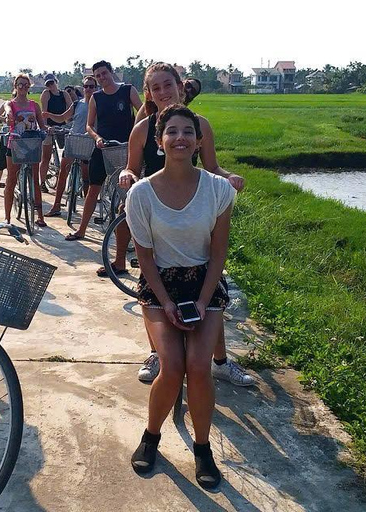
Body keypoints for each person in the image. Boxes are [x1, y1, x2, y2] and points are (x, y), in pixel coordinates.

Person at [118, 63, 254, 387]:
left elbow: (213, 168)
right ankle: (158, 354)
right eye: (156, 88)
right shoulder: (141, 128)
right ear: (148, 93)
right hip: (158, 217)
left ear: (181, 86)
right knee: (152, 285)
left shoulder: (199, 125)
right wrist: (127, 176)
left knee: (210, 285)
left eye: (169, 85)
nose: (164, 92)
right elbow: (132, 169)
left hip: (193, 214)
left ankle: (219, 361)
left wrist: (229, 178)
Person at [126, 104, 234, 490]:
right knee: (172, 365)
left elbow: (218, 253)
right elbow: (145, 258)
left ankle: (202, 448)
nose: (180, 138)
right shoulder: (141, 194)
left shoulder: (219, 190)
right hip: (160, 289)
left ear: (198, 140)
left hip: (204, 285)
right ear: (159, 140)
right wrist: (167, 302)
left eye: (188, 131)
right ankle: (151, 436)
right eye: (171, 131)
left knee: (200, 366)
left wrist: (203, 302)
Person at [64, 60, 142, 241]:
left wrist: (136, 136)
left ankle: (135, 236)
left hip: (126, 147)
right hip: (103, 147)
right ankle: (81, 229)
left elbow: (142, 112)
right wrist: (97, 138)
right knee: (93, 188)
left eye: (104, 73)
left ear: (111, 72)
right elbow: (89, 126)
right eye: (98, 75)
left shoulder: (127, 90)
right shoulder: (96, 98)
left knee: (130, 191)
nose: (102, 78)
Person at [44, 75, 97, 217]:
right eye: (86, 86)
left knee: (87, 176)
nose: (88, 89)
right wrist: (48, 115)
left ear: (96, 88)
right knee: (63, 172)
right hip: (73, 140)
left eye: (91, 86)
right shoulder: (77, 104)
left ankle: (88, 209)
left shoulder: (99, 104)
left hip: (88, 142)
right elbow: (63, 118)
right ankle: (56, 206)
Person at [0, 74, 48, 226]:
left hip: (32, 144)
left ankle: (40, 215)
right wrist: (8, 116)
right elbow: (7, 110)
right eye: (20, 85)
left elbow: (42, 125)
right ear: (15, 86)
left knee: (35, 180)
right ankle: (7, 217)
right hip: (15, 144)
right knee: (11, 180)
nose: (23, 88)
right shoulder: (11, 104)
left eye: (26, 85)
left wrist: (48, 130)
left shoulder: (34, 105)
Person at [40, 74, 72, 193]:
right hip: (49, 126)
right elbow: (44, 112)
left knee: (67, 154)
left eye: (52, 83)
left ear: (56, 82)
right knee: (46, 157)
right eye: (48, 84)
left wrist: (71, 123)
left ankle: (61, 183)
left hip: (62, 126)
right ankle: (42, 182)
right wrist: (45, 126)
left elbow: (70, 109)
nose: (50, 86)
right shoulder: (46, 94)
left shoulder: (64, 94)